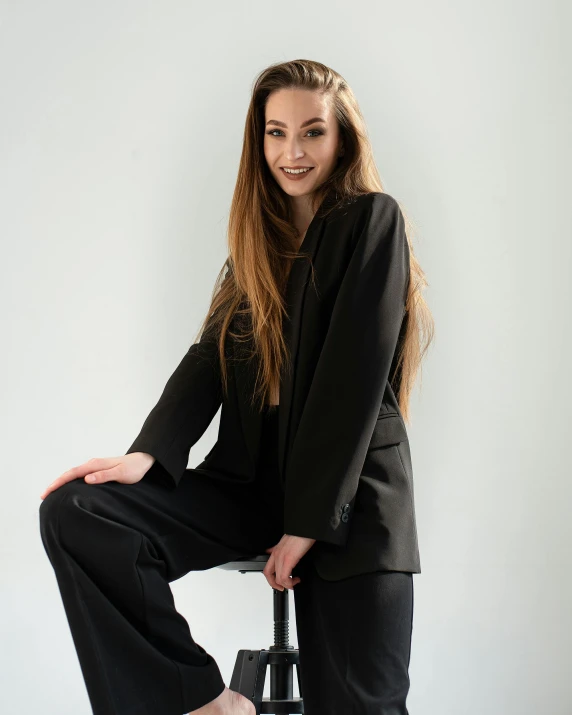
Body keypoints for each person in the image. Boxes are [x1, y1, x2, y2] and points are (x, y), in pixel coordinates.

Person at [39, 59, 434, 715]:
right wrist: (150, 450)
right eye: (276, 134)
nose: (293, 151)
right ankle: (205, 702)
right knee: (78, 514)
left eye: (311, 132)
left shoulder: (373, 221)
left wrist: (308, 524)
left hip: (351, 499)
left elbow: (350, 383)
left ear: (342, 139)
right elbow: (208, 361)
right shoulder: (256, 246)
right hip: (251, 485)